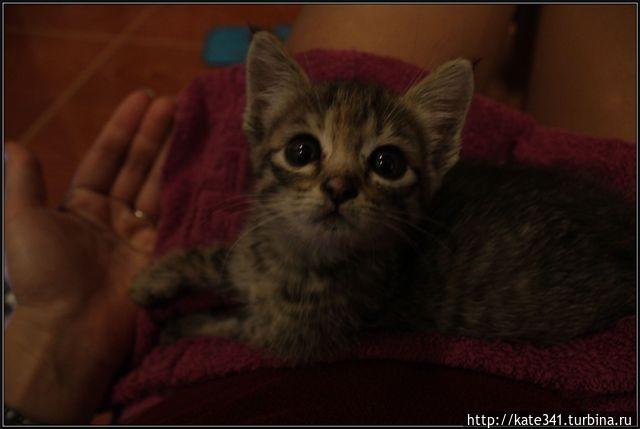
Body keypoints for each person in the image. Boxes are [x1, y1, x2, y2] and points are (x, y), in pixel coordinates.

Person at [4, 4, 635, 424]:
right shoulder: (277, 240)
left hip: (566, 270)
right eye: (304, 152)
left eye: (383, 164)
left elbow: (272, 330)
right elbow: (260, 280)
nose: (336, 183)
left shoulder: (359, 280)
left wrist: (195, 328)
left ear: (437, 156)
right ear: (257, 129)